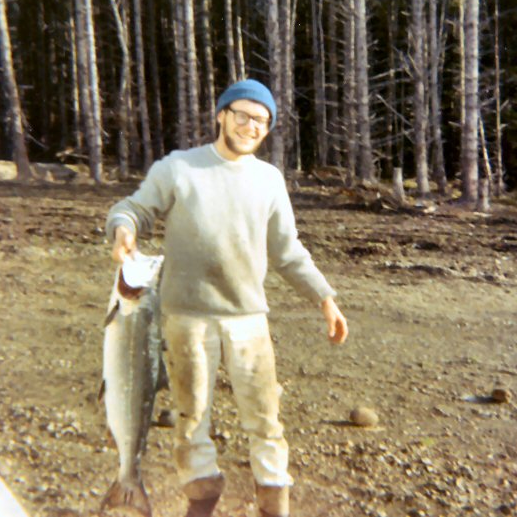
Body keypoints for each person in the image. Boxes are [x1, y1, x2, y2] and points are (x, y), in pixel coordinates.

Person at [106, 79, 348, 517]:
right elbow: (134, 208)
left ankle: (273, 501)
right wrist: (124, 228)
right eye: (242, 115)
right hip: (185, 318)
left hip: (248, 319)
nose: (251, 126)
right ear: (221, 115)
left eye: (262, 120)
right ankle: (201, 497)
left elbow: (287, 251)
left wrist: (324, 298)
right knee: (190, 418)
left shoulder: (269, 180)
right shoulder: (179, 167)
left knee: (265, 418)